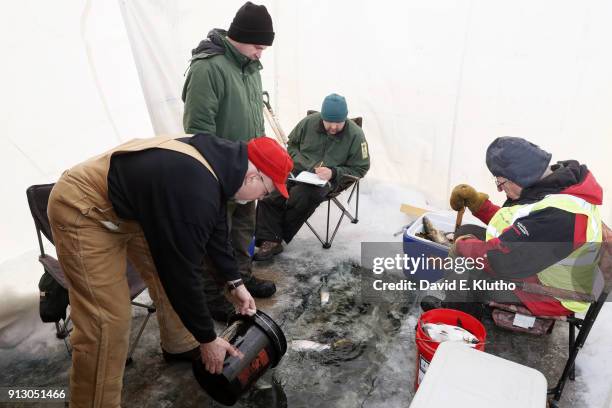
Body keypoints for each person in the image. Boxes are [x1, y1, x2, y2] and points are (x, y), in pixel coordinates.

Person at [47, 134, 293, 407]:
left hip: (134, 208)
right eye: (266, 192)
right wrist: (207, 338)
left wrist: (236, 283)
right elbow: (181, 272)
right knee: (107, 322)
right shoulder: (195, 190)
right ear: (252, 177)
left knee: (163, 280)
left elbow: (216, 230)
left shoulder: (223, 164)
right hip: (86, 208)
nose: (261, 198)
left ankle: (178, 344)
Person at [421, 136, 603, 319]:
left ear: (520, 177)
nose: (500, 189)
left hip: (552, 294)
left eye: (501, 182)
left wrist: (461, 245)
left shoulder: (561, 217)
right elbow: (523, 225)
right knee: (469, 232)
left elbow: (501, 261)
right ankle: (465, 302)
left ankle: (459, 318)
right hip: (539, 267)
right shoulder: (554, 185)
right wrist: (480, 206)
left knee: (466, 268)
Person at [182, 2, 276, 309]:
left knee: (243, 228)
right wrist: (218, 172)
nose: (261, 53)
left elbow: (255, 118)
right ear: (241, 37)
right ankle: (211, 294)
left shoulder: (251, 68)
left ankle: (241, 277)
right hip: (220, 173)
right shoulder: (208, 67)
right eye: (258, 46)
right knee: (214, 233)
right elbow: (198, 129)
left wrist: (259, 160)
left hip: (249, 168)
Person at [253, 93, 370, 260]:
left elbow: (361, 167)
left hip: (328, 180)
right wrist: (303, 164)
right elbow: (291, 145)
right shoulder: (308, 122)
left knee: (301, 196)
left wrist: (334, 172)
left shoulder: (356, 135)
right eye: (329, 122)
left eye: (338, 123)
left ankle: (275, 239)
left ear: (345, 119)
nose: (334, 127)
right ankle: (267, 238)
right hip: (297, 170)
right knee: (268, 191)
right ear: (322, 116)